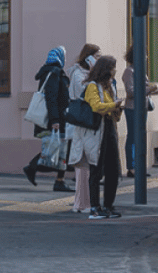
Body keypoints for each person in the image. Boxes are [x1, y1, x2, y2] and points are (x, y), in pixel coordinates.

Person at [80, 55, 125, 219]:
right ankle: (95, 207)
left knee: (113, 170)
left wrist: (117, 108)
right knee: (96, 169)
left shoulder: (110, 87)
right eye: (113, 67)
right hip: (97, 130)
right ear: (106, 69)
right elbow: (96, 106)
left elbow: (112, 110)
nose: (115, 70)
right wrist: (114, 105)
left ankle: (108, 205)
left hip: (110, 128)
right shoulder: (92, 86)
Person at [23, 46, 72, 191]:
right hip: (56, 119)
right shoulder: (53, 73)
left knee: (60, 149)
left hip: (59, 117)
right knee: (57, 149)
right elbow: (51, 99)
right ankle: (35, 168)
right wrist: (55, 120)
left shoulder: (52, 72)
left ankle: (58, 179)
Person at [65, 43, 100, 213]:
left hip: (86, 123)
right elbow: (85, 92)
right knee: (82, 164)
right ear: (89, 57)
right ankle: (81, 203)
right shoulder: (78, 74)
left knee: (86, 164)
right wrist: (94, 71)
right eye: (96, 56)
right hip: (82, 123)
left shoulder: (86, 74)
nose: (98, 59)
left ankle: (83, 202)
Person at [121, 46, 158, 179]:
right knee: (133, 137)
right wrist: (150, 88)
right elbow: (131, 91)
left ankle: (139, 166)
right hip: (132, 108)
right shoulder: (129, 71)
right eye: (144, 55)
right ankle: (131, 168)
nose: (146, 58)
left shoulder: (140, 71)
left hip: (142, 107)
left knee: (140, 137)